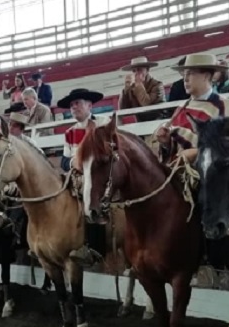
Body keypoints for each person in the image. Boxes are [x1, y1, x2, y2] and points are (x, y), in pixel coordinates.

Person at [154, 53, 229, 164]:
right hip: (180, 174)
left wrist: (197, 152)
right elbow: (173, 149)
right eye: (184, 74)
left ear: (206, 76)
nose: (185, 79)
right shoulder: (181, 109)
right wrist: (166, 142)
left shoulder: (228, 106)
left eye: (190, 74)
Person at [57, 88, 109, 268]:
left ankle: (96, 249)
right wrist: (75, 164)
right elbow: (64, 161)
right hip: (77, 173)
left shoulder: (103, 123)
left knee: (90, 196)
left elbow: (111, 149)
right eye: (71, 105)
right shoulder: (69, 132)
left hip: (100, 172)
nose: (73, 107)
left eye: (77, 103)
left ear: (89, 105)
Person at [119, 56, 165, 122]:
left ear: (147, 70)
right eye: (134, 71)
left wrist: (139, 85)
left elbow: (147, 105)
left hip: (158, 121)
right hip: (139, 123)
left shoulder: (157, 85)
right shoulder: (132, 88)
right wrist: (125, 91)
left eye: (139, 69)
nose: (136, 73)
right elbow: (123, 110)